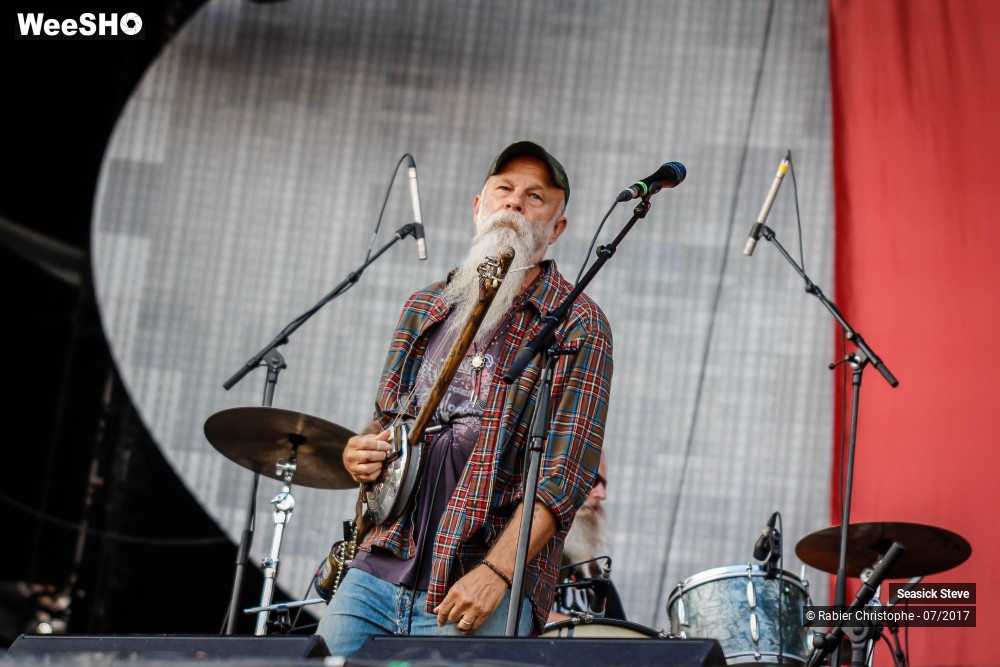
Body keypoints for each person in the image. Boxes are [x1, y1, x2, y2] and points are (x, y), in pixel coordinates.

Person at [316, 141, 613, 657]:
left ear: (557, 227)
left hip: (476, 579)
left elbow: (562, 477)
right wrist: (358, 452)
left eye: (535, 196)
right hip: (379, 564)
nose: (515, 202)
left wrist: (495, 573)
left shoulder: (578, 324)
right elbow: (386, 424)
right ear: (479, 207)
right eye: (504, 189)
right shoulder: (424, 306)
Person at [547, 452, 626, 624]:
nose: (602, 494)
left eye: (603, 484)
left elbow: (620, 633)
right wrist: (587, 631)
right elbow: (511, 611)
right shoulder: (528, 556)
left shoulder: (592, 570)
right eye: (593, 480)